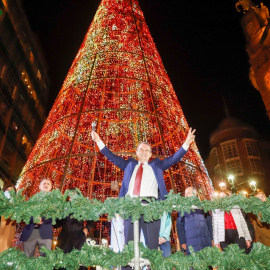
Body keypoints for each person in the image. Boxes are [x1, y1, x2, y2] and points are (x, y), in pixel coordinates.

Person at [91, 128, 195, 268]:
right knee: (129, 246)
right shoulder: (129, 164)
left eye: (147, 150)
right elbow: (111, 157)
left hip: (150, 207)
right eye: (141, 150)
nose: (144, 152)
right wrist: (98, 140)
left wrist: (186, 143)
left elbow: (174, 158)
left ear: (151, 154)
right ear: (137, 152)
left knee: (152, 247)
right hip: (131, 206)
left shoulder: (157, 165)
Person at [54, 189, 94, 270]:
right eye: (71, 195)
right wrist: (53, 217)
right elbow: (56, 225)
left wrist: (87, 229)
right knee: (61, 261)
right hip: (64, 238)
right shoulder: (63, 208)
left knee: (78, 261)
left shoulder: (83, 208)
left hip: (78, 237)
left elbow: (91, 219)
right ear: (68, 197)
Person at [20, 178, 53, 257]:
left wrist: (43, 219)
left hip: (45, 233)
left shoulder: (54, 201)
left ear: (51, 188)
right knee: (27, 260)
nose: (46, 185)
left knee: (45, 262)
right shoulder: (31, 200)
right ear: (39, 187)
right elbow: (25, 214)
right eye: (44, 183)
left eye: (48, 184)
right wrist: (34, 219)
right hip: (30, 232)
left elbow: (55, 216)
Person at [176, 186, 213, 255]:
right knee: (194, 263)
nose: (186, 195)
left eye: (188, 193)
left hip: (205, 241)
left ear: (195, 194)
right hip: (191, 242)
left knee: (207, 262)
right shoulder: (182, 209)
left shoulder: (202, 206)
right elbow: (179, 226)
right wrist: (182, 242)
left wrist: (211, 238)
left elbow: (209, 222)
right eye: (185, 194)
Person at [0, 185, 17, 252]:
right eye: (8, 189)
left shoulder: (15, 206)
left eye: (12, 190)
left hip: (5, 234)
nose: (9, 191)